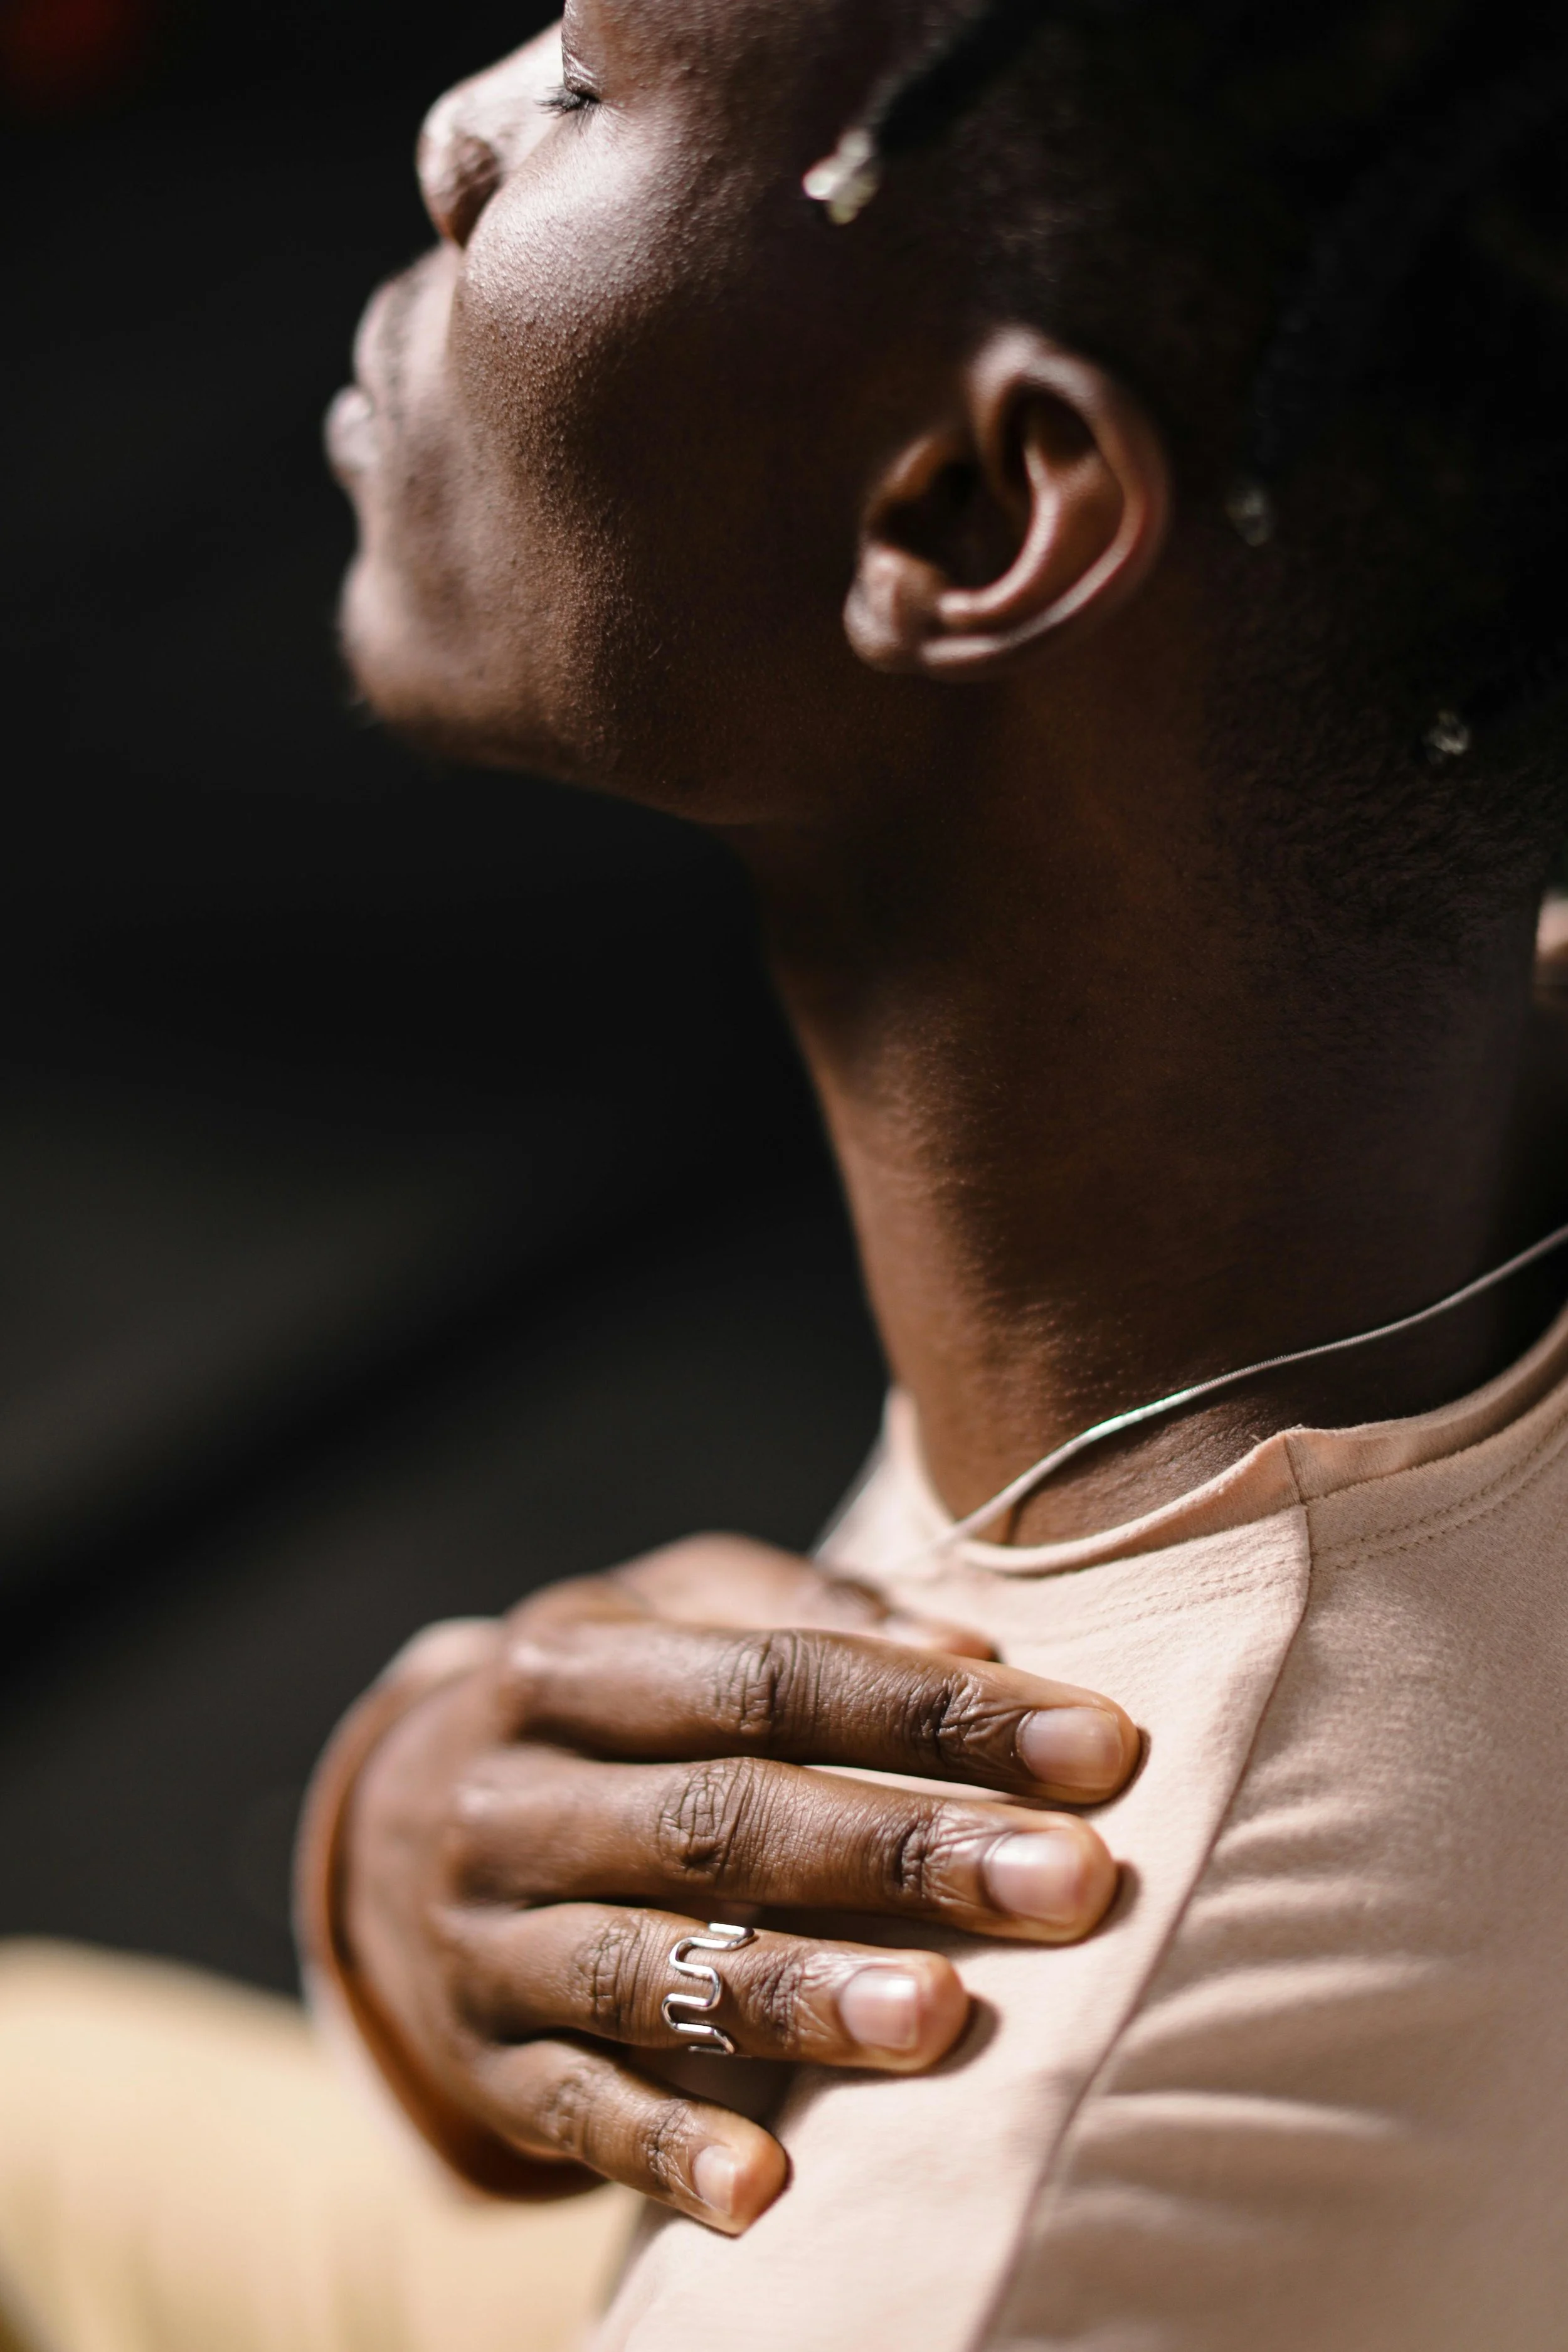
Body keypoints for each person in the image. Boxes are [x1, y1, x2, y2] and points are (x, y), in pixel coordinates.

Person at [5, 0, 1568, 2345]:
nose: (449, 129)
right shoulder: (1352, 1150)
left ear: (965, 509)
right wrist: (429, 1839)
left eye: (580, 91)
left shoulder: (977, 2244)